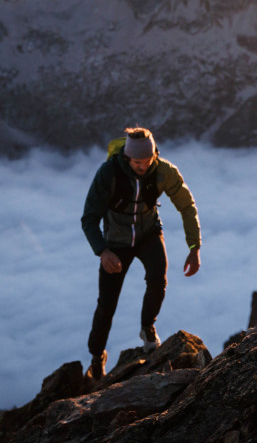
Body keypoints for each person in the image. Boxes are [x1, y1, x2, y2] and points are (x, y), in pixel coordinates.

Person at [81, 127, 202, 379]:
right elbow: (89, 218)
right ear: (127, 158)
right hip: (115, 242)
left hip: (148, 234)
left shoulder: (163, 171)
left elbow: (187, 206)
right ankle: (96, 356)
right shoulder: (109, 174)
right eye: (138, 162)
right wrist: (103, 251)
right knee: (107, 303)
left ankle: (148, 328)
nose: (144, 166)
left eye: (148, 161)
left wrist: (194, 247)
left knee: (158, 278)